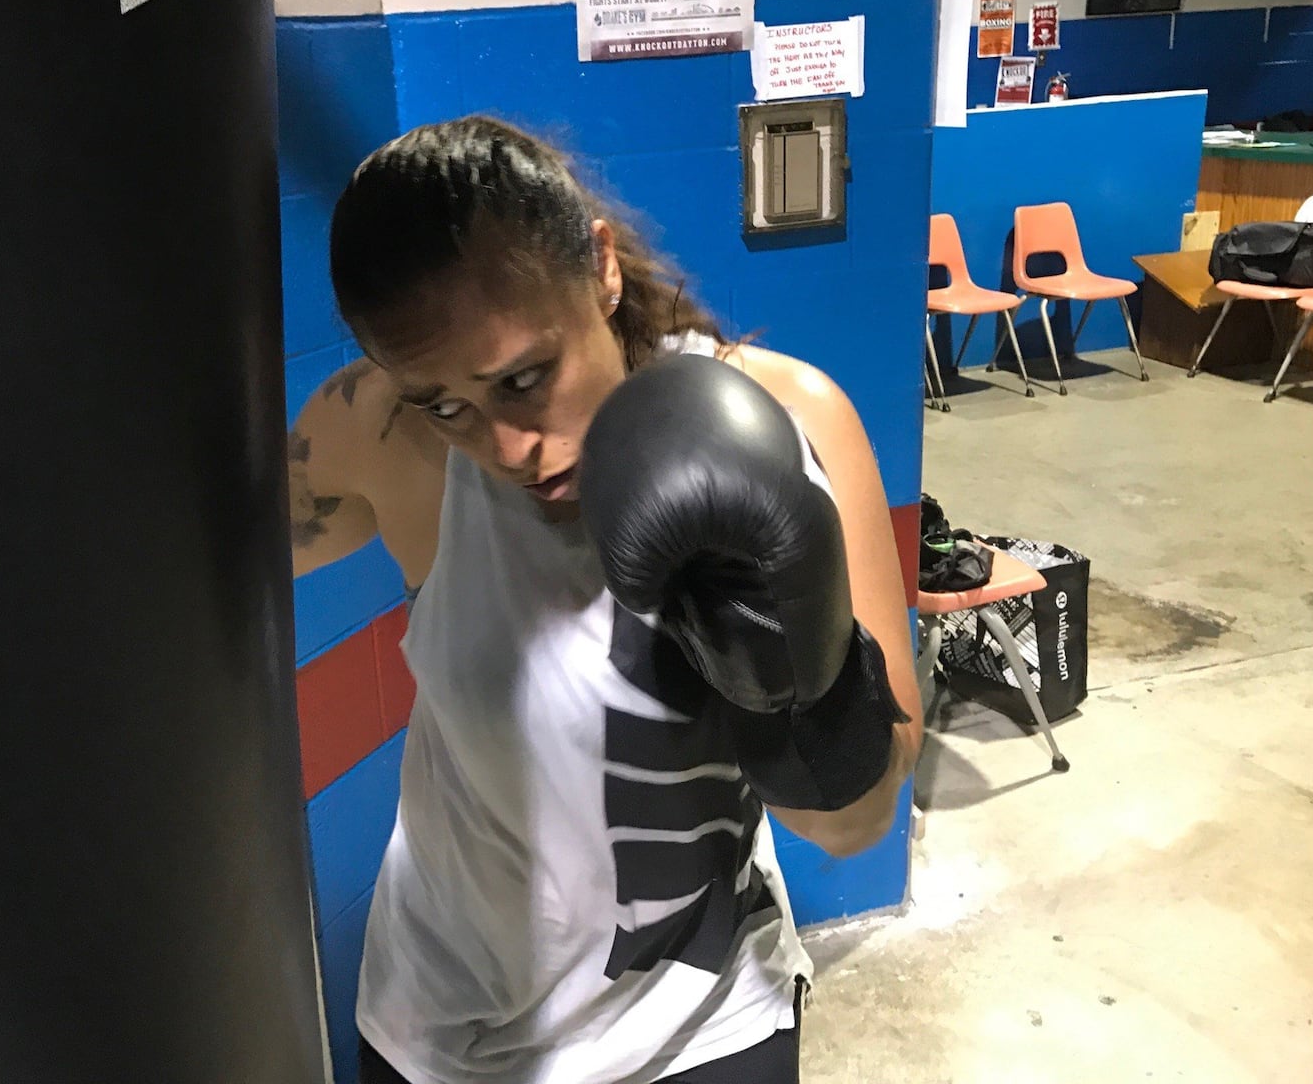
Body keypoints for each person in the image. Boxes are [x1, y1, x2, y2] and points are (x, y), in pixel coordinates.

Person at [288, 115, 924, 1084]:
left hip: (703, 1022)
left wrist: (782, 669)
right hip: (444, 1031)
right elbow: (180, 553)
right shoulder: (388, 437)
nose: (504, 446)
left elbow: (854, 823)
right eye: (448, 404)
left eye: (527, 379)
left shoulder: (793, 421)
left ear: (599, 268)